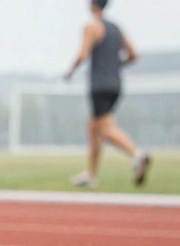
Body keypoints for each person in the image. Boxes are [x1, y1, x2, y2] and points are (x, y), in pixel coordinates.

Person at [65, 0, 150, 188]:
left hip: (99, 85)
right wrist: (116, 66)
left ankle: (137, 154)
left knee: (104, 128)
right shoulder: (116, 28)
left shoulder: (92, 27)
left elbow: (83, 54)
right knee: (93, 127)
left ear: (92, 5)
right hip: (116, 84)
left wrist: (70, 70)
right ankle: (91, 174)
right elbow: (133, 54)